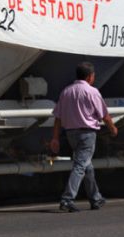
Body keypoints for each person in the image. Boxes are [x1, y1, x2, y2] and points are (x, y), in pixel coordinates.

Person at [50, 62, 118, 212]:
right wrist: (112, 128)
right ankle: (67, 199)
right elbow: (104, 114)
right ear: (89, 77)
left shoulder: (66, 91)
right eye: (93, 75)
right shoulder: (92, 92)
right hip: (87, 134)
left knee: (87, 166)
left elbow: (58, 117)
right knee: (80, 166)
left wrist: (55, 138)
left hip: (70, 134)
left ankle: (96, 198)